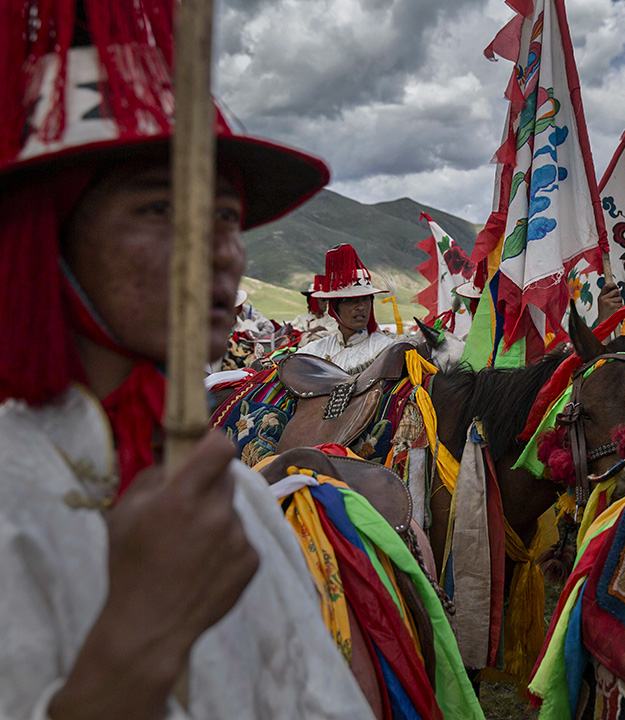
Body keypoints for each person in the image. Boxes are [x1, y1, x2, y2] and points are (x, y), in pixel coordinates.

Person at [0, 5, 375, 718]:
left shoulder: (234, 500)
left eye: (228, 216)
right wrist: (131, 652)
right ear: (47, 236)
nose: (222, 249)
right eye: (161, 209)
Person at [297, 244, 396, 373]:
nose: (361, 307)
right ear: (334, 308)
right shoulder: (313, 351)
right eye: (350, 300)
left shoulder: (386, 349)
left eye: (366, 299)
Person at [289, 276, 336, 345]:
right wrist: (314, 330)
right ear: (313, 301)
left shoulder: (330, 319)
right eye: (323, 300)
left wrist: (311, 333)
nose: (326, 303)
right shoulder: (300, 318)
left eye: (327, 300)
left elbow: (333, 334)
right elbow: (295, 336)